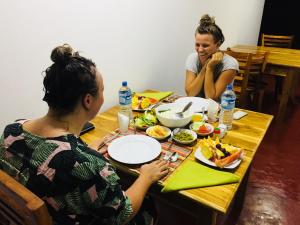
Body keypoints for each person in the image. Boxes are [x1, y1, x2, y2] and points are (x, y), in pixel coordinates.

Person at [0, 44, 169, 225]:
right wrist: (146, 177)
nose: (103, 95)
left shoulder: (12, 130)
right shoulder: (85, 164)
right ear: (88, 100)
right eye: (102, 90)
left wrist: (84, 151)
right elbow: (122, 214)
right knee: (149, 203)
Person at [185, 14, 239, 100]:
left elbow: (211, 98)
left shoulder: (230, 64)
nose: (200, 50)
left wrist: (210, 68)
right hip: (195, 109)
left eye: (205, 45)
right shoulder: (192, 58)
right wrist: (205, 67)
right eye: (197, 44)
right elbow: (190, 93)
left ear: (217, 44)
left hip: (219, 110)